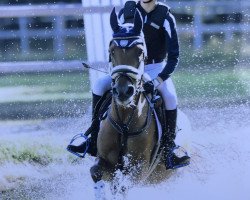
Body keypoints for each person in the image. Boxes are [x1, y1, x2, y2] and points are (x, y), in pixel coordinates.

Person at [67, 0, 190, 169]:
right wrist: (117, 69)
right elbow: (116, 43)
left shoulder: (166, 17)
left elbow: (174, 57)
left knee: (169, 97)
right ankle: (92, 138)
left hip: (155, 69)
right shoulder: (126, 11)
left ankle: (170, 148)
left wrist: (158, 80)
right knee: (98, 86)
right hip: (128, 67)